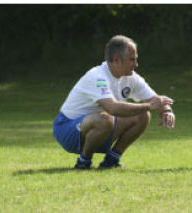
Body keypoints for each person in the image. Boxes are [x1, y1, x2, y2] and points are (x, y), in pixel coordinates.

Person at [53, 35, 175, 170]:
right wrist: (149, 105)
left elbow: (155, 99)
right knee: (105, 118)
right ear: (117, 60)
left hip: (98, 126)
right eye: (132, 60)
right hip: (66, 129)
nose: (136, 64)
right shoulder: (97, 77)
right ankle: (83, 162)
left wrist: (167, 111)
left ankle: (111, 161)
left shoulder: (131, 77)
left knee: (142, 115)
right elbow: (113, 108)